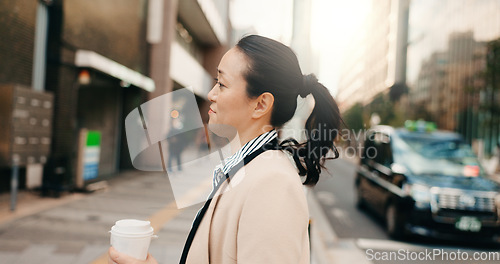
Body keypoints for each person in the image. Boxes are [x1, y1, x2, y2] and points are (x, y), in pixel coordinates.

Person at [108, 35, 342, 264]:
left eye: (222, 84)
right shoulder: (248, 168)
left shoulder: (273, 183)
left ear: (261, 104)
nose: (211, 94)